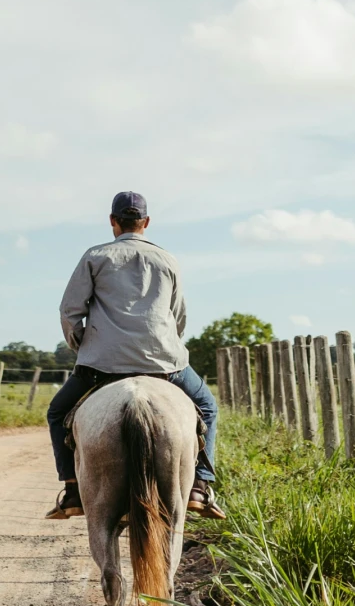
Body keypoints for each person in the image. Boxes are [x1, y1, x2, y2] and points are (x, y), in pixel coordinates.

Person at [44, 191, 223, 521]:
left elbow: (70, 312)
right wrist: (166, 344)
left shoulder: (95, 256)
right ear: (146, 222)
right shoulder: (168, 260)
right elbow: (178, 314)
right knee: (208, 407)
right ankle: (200, 485)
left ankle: (71, 489)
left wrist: (84, 346)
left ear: (113, 221)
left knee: (56, 413)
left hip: (101, 364)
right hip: (164, 363)